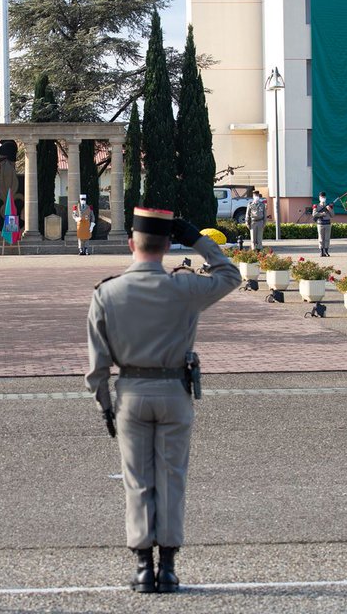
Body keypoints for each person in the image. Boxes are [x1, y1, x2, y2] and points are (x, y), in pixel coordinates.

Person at [86, 208, 241, 594]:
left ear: (130, 243)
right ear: (168, 245)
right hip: (173, 391)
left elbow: (97, 367)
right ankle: (168, 568)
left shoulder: (107, 292)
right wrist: (200, 240)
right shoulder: (183, 288)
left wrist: (105, 406)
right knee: (172, 478)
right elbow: (230, 276)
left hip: (131, 394)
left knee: (137, 481)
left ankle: (142, 568)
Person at [311, 192, 334, 257]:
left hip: (328, 224)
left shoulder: (329, 206)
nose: (323, 198)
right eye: (321, 197)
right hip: (320, 223)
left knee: (327, 238)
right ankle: (321, 251)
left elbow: (332, 215)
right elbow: (314, 214)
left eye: (324, 197)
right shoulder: (316, 206)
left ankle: (326, 251)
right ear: (319, 198)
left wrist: (330, 209)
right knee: (321, 238)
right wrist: (322, 214)